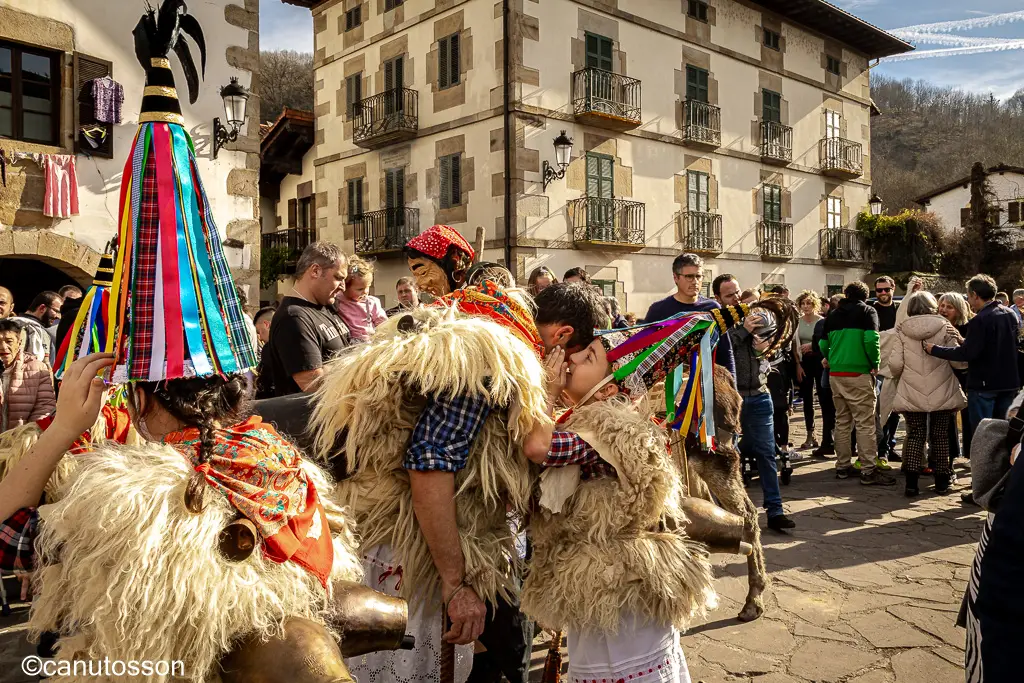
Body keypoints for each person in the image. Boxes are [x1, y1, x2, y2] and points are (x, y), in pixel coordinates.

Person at [0, 8, 367, 677]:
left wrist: (61, 433)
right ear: (234, 382)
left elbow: (6, 525)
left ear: (140, 397)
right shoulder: (279, 465)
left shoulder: (120, 501)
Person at [520, 334, 717, 683]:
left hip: (621, 585)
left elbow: (538, 446)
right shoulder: (583, 421)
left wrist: (547, 392)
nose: (573, 359)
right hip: (599, 584)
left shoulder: (609, 430)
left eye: (589, 356)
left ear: (609, 389)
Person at [889, 291, 967, 496]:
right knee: (940, 436)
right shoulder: (944, 327)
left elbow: (895, 365)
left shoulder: (902, 330)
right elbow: (958, 361)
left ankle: (912, 484)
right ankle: (942, 481)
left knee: (915, 435)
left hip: (911, 390)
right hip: (942, 388)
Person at [927, 275, 1021, 439]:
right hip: (1009, 382)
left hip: (984, 384)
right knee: (1003, 432)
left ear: (975, 295)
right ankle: (1001, 464)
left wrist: (934, 349)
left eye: (969, 296)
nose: (968, 301)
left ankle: (982, 465)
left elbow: (967, 354)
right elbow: (996, 346)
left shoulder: (980, 320)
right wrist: (964, 340)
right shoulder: (1009, 314)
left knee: (983, 434)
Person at [820, 281, 895, 485]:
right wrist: (875, 362)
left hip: (836, 373)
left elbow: (823, 343)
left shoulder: (833, 314)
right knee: (865, 422)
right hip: (859, 373)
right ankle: (868, 469)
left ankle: (843, 466)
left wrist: (831, 358)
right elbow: (872, 339)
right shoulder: (868, 311)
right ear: (865, 295)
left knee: (842, 421)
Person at [730, 308, 797, 530]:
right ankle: (734, 513)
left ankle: (775, 511)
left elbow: (776, 354)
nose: (737, 299)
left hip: (759, 396)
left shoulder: (761, 322)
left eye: (737, 293)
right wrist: (742, 332)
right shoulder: (726, 323)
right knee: (731, 455)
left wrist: (763, 350)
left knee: (767, 453)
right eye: (730, 294)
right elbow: (721, 348)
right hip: (732, 397)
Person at [260, 242, 351, 398]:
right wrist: (355, 364)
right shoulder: (293, 317)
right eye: (338, 277)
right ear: (315, 271)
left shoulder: (325, 305)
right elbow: (313, 384)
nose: (343, 287)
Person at [643, 253, 735, 377]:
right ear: (676, 278)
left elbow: (725, 351)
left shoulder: (713, 308)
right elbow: (644, 352)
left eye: (698, 276)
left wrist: (732, 385)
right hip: (668, 386)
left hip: (706, 383)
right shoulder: (658, 310)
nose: (695, 282)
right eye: (689, 277)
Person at [0, 319, 56, 431]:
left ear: (19, 343)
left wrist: (25, 436)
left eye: (9, 341)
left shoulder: (37, 369)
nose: (3, 347)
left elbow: (44, 407)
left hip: (21, 442)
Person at [939, 292, 973, 462]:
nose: (944, 310)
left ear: (958, 310)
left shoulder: (968, 327)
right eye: (942, 305)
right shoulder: (936, 326)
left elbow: (973, 351)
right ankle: (950, 456)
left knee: (968, 417)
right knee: (947, 418)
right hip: (943, 377)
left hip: (965, 377)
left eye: (949, 307)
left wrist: (960, 339)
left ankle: (969, 454)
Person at [872, 276, 902, 464]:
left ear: (893, 289)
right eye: (879, 290)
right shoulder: (871, 310)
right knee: (879, 409)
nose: (883, 293)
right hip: (876, 367)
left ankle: (889, 446)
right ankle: (880, 448)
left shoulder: (899, 310)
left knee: (895, 409)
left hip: (896, 364)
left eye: (886, 290)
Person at [334, 255, 387, 342]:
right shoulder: (338, 300)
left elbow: (383, 324)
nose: (365, 291)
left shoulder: (371, 303)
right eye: (360, 289)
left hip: (368, 342)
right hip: (347, 342)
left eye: (368, 287)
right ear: (345, 287)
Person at [795, 291, 824, 449]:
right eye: (803, 303)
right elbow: (793, 345)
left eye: (809, 303)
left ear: (815, 305)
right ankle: (809, 434)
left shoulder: (821, 321)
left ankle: (827, 434)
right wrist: (798, 364)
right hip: (804, 362)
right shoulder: (797, 322)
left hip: (819, 360)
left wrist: (813, 346)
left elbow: (828, 341)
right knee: (807, 399)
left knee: (823, 397)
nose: (806, 306)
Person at [13, 291, 62, 363]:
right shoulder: (15, 326)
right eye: (56, 311)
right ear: (42, 308)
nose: (58, 317)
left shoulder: (10, 323)